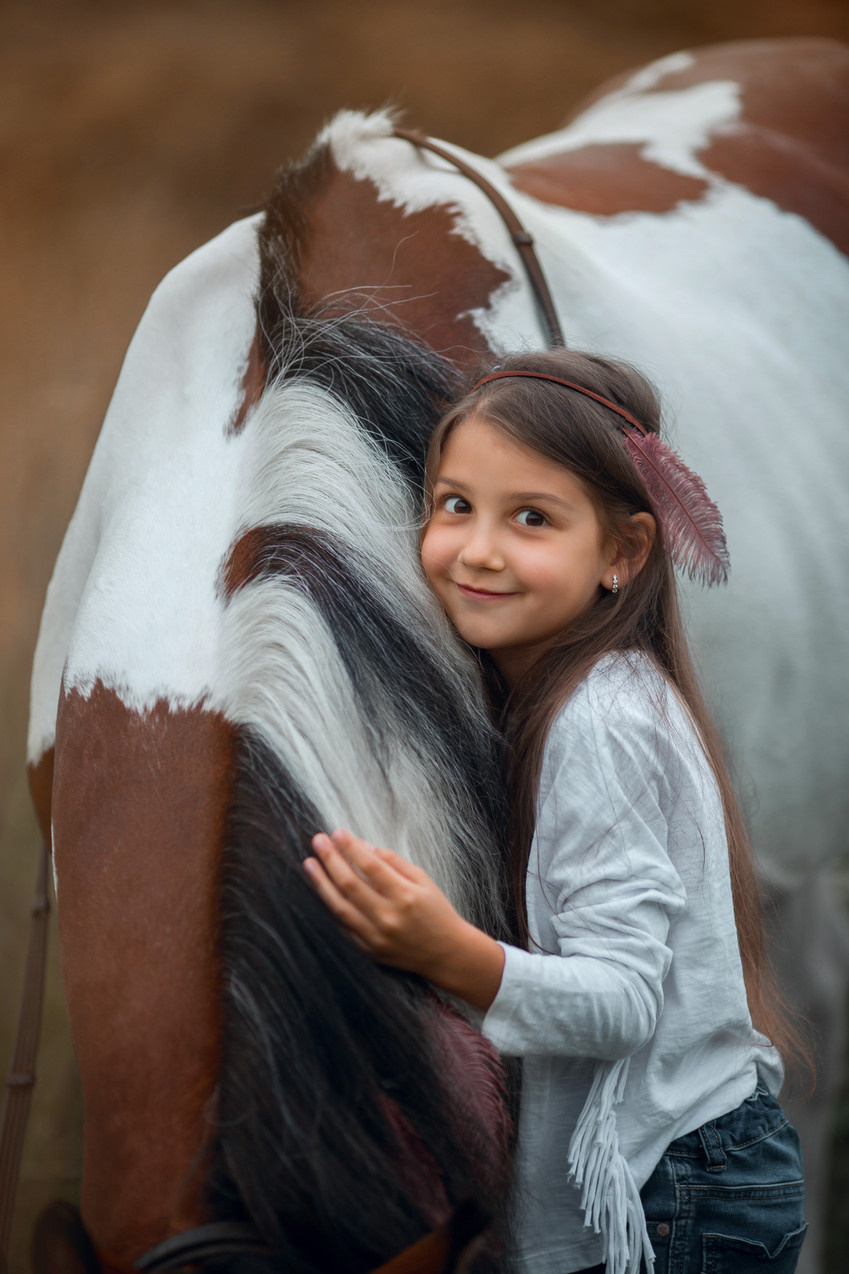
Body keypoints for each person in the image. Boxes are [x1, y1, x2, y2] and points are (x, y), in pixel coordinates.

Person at [302, 349, 808, 1274]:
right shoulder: (576, 697)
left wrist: (446, 952)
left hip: (674, 1195)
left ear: (622, 554)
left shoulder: (598, 724)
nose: (479, 549)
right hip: (687, 1176)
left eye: (531, 517)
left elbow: (622, 1003)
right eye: (455, 504)